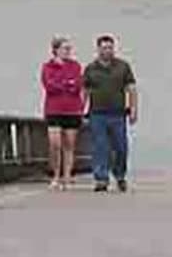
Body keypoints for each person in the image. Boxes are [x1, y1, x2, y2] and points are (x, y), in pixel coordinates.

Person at [84, 35, 138, 192]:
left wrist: (133, 109)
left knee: (121, 147)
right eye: (104, 48)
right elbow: (84, 92)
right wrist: (80, 111)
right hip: (97, 114)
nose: (108, 51)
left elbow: (132, 89)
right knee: (100, 147)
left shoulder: (123, 66)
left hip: (118, 114)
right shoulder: (91, 69)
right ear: (98, 49)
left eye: (110, 48)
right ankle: (101, 178)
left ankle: (120, 175)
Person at [41, 36, 85, 190]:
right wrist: (67, 83)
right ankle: (55, 176)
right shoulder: (48, 67)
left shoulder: (75, 66)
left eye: (69, 49)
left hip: (72, 110)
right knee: (55, 144)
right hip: (53, 109)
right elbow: (50, 86)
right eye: (65, 49)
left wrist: (65, 84)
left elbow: (77, 86)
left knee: (69, 145)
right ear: (56, 50)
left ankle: (67, 177)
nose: (68, 51)